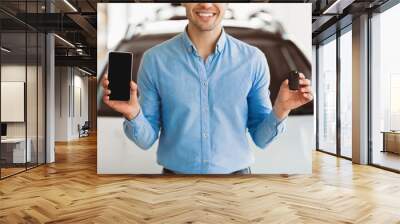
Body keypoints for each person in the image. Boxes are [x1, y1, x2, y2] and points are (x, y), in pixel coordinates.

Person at [102, 3, 313, 174]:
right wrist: (133, 113)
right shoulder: (154, 60)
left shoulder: (253, 59)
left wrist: (281, 110)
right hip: (173, 185)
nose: (205, 4)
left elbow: (261, 138)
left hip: (238, 183)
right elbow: (146, 139)